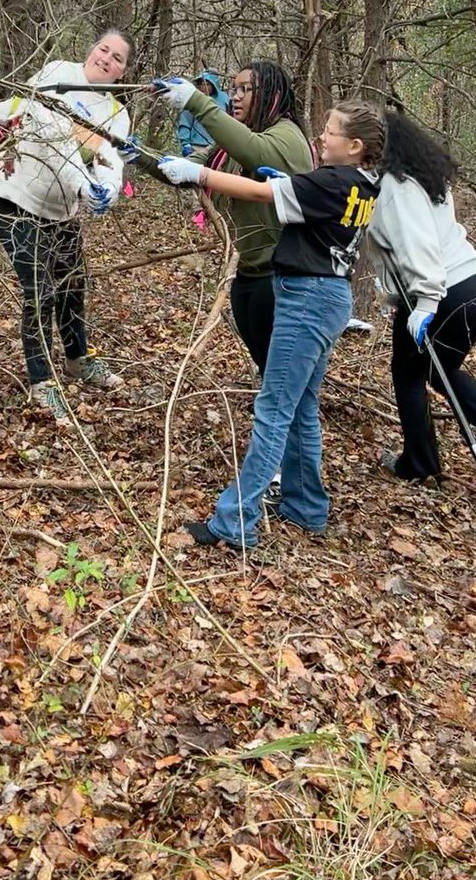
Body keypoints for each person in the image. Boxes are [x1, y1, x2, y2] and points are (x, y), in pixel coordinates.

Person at [157, 100, 383, 549]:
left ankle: (235, 520)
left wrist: (197, 172)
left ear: (355, 146)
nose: (320, 136)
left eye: (331, 132)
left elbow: (259, 195)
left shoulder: (332, 181)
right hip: (328, 297)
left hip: (308, 300)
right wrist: (292, 185)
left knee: (274, 408)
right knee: (300, 406)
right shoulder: (363, 183)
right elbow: (312, 205)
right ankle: (306, 505)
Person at [368, 110, 476, 491]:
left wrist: (426, 303)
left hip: (444, 292)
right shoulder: (421, 176)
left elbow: (420, 248)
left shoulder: (396, 187)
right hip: (469, 287)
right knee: (429, 372)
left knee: (413, 374)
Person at [0, 29, 134, 424]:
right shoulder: (57, 73)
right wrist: (83, 181)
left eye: (117, 58)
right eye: (104, 49)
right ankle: (41, 382)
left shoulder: (116, 114)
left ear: (123, 71)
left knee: (73, 287)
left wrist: (107, 189)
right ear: (91, 49)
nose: (107, 58)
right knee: (41, 291)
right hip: (16, 202)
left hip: (62, 215)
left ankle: (78, 360)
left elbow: (110, 160)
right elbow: (51, 136)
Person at [154, 60, 313, 374]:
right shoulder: (231, 145)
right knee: (264, 362)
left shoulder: (287, 136)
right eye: (233, 89)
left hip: (282, 277)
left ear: (271, 93)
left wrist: (196, 102)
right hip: (245, 272)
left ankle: (278, 420)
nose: (235, 97)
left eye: (246, 89)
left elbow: (253, 151)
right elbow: (182, 170)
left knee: (280, 373)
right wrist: (127, 151)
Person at [176, 70, 229, 156]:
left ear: (213, 85)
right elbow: (185, 122)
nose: (203, 87)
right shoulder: (193, 99)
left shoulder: (224, 99)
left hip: (218, 146)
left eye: (207, 84)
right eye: (201, 84)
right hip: (196, 146)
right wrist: (186, 144)